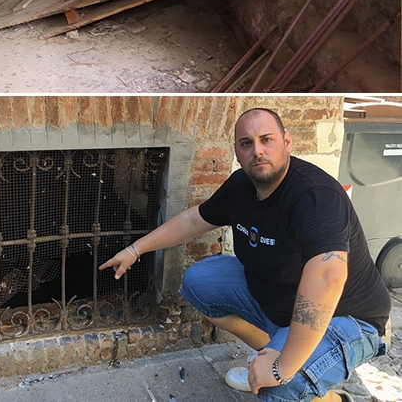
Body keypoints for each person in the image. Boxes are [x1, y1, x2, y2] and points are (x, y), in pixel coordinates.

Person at [100, 108, 390, 402]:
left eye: (267, 140)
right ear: (237, 151)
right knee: (199, 282)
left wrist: (281, 368)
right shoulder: (241, 185)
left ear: (287, 142)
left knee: (277, 386)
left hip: (346, 316)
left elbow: (328, 275)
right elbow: (194, 221)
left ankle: (309, 382)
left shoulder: (315, 195)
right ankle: (273, 354)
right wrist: (135, 249)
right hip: (278, 300)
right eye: (246, 143)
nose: (258, 151)